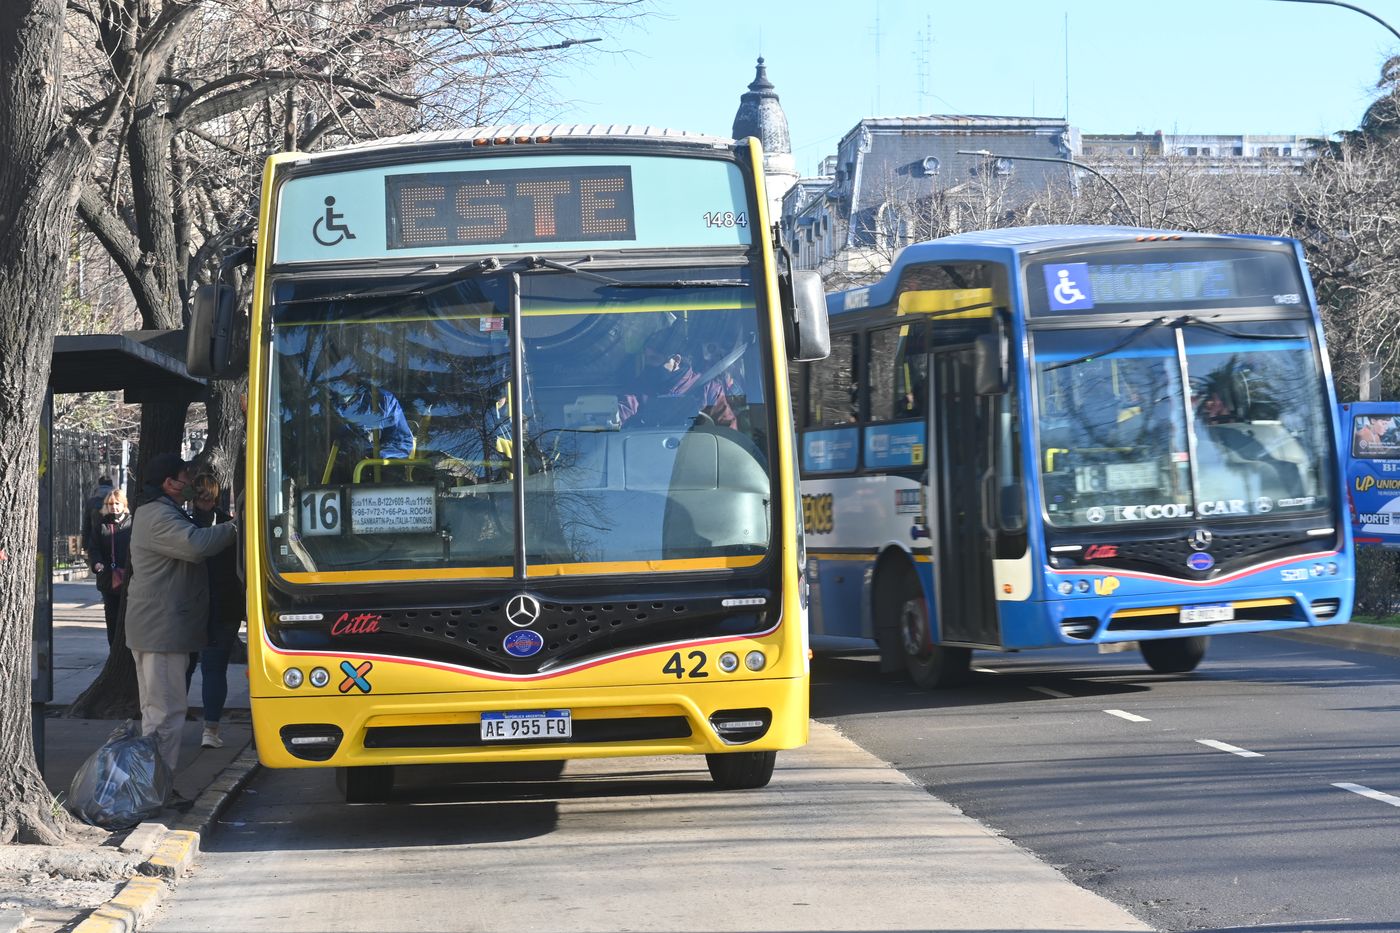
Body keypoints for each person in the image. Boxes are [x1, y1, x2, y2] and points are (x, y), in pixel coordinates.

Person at [125, 453, 238, 777]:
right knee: (166, 712)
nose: (191, 484)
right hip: (161, 629)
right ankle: (156, 785)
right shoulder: (159, 515)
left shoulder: (160, 511)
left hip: (157, 627)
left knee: (157, 712)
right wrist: (236, 527)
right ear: (169, 483)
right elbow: (195, 545)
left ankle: (153, 783)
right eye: (185, 478)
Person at [186, 472, 244, 750]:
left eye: (207, 498)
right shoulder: (223, 525)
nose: (204, 503)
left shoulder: (221, 524)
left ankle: (210, 727)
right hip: (203, 604)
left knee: (211, 667)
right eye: (200, 498)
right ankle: (202, 727)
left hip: (219, 604)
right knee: (188, 668)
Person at [617, 327, 737, 429]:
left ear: (676, 361)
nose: (650, 366)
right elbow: (623, 412)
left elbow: (729, 432)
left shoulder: (709, 389)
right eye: (647, 359)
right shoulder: (640, 386)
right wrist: (611, 422)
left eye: (655, 359)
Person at [91, 489, 132, 646]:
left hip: (129, 576)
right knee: (112, 615)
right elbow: (94, 548)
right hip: (109, 577)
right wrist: (97, 563)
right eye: (110, 504)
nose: (114, 507)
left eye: (117, 503)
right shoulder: (101, 525)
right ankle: (113, 649)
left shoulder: (132, 523)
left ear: (124, 505)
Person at [81, 475, 115, 573]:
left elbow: (86, 524)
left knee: (100, 567)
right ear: (112, 485)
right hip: (113, 537)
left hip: (95, 538)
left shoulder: (92, 501)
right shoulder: (116, 501)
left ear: (99, 485)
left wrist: (85, 545)